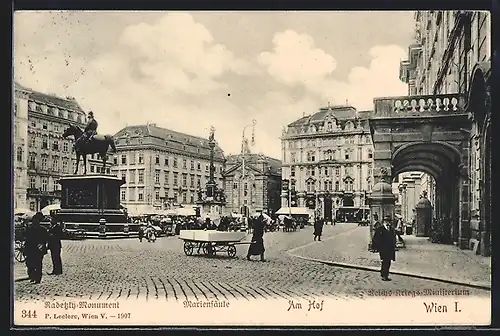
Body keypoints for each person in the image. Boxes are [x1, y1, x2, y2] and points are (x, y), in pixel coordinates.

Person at [24, 212, 49, 284]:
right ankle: (34, 276)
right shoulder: (30, 229)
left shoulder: (42, 229)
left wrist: (42, 245)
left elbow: (46, 239)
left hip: (37, 249)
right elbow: (26, 238)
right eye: (34, 221)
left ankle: (37, 278)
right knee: (30, 264)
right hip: (32, 249)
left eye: (36, 221)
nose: (34, 222)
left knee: (37, 264)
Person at [371, 215, 397, 281]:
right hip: (383, 249)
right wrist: (377, 247)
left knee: (388, 262)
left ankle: (386, 275)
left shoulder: (391, 229)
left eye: (389, 221)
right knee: (385, 262)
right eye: (386, 221)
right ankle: (383, 275)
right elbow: (375, 238)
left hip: (390, 249)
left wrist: (394, 245)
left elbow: (394, 238)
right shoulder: (380, 229)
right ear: (384, 222)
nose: (387, 223)